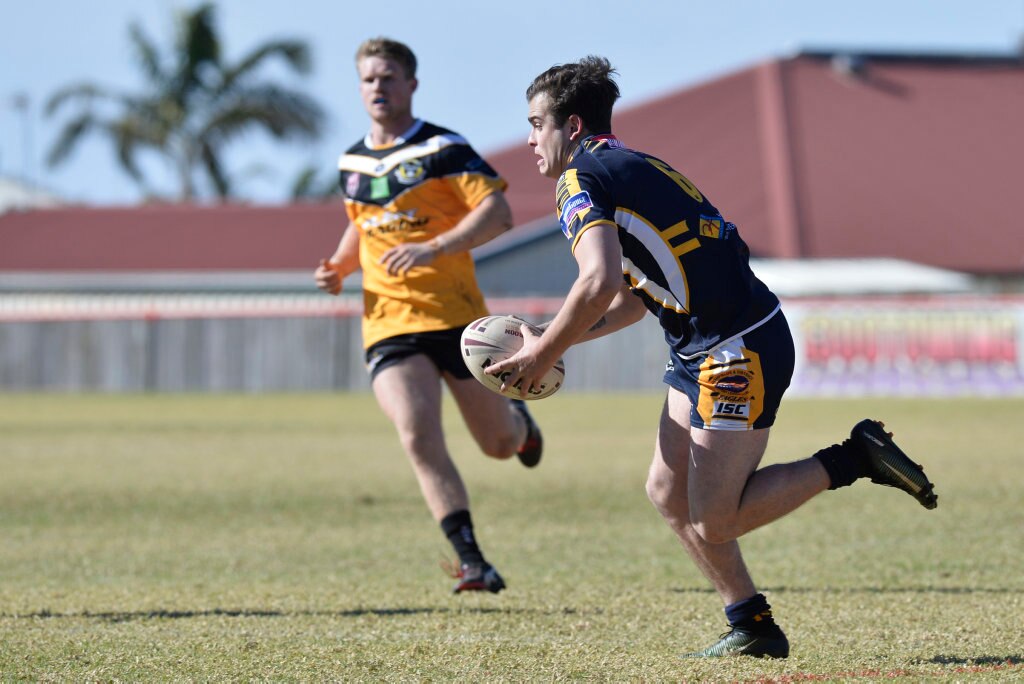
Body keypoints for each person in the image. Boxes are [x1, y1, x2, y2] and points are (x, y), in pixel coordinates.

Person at [488, 56, 938, 657]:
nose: (529, 139)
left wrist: (544, 352)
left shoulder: (581, 181)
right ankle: (750, 623)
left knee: (716, 520)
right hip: (711, 343)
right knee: (667, 492)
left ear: (570, 126)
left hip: (734, 350)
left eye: (535, 123)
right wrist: (552, 334)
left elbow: (595, 282)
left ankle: (855, 457)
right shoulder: (632, 166)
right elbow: (631, 298)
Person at [314, 37, 543, 594]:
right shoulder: (350, 160)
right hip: (389, 323)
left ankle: (519, 425)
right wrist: (341, 266)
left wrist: (434, 248)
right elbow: (362, 220)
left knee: (495, 445)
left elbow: (499, 213)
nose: (378, 87)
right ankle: (472, 561)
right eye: (369, 78)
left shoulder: (443, 147)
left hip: (457, 320)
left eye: (389, 77)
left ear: (411, 84)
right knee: (418, 436)